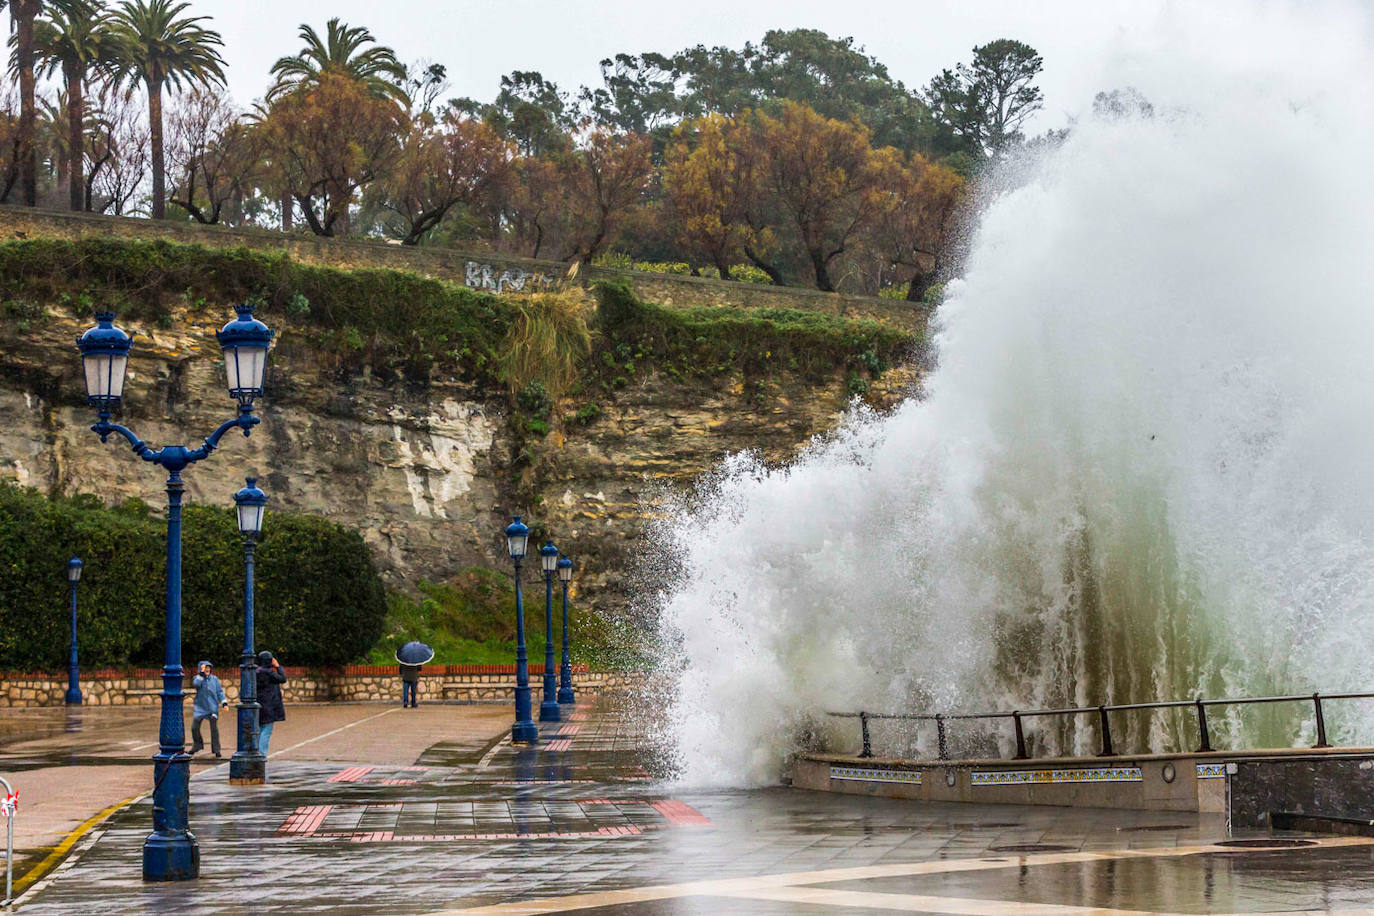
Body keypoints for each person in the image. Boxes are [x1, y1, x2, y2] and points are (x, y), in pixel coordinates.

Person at [190, 660, 228, 757]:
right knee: (194, 727)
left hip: (212, 708)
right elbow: (196, 685)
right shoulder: (197, 678)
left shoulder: (214, 679)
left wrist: (224, 703)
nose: (207, 669)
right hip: (200, 707)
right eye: (204, 668)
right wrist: (201, 674)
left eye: (208, 667)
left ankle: (216, 749)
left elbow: (219, 692)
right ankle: (197, 745)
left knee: (214, 729)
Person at [256, 650, 286, 755]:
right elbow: (282, 678)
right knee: (266, 731)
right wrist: (278, 666)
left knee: (259, 730)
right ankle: (262, 754)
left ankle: (257, 752)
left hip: (258, 705)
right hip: (269, 705)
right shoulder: (269, 673)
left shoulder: (256, 672)